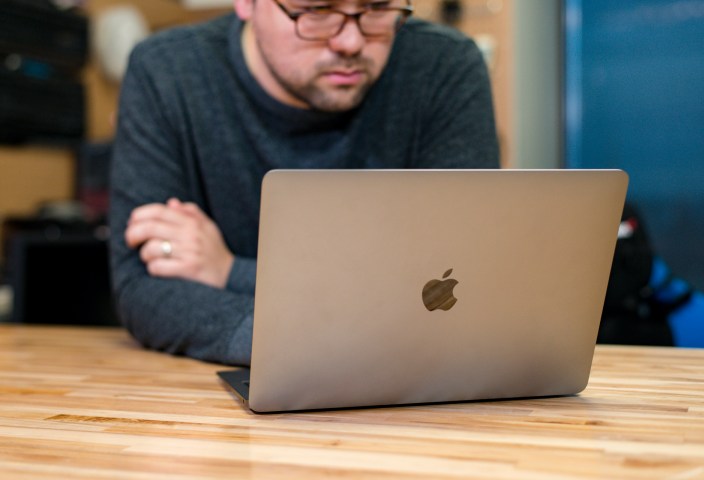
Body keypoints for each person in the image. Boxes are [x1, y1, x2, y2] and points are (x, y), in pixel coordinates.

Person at [109, 0, 500, 365]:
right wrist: (315, 341)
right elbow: (143, 290)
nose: (350, 41)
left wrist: (231, 272)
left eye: (378, 7)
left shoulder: (445, 67)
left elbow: (452, 287)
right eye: (317, 10)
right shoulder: (166, 72)